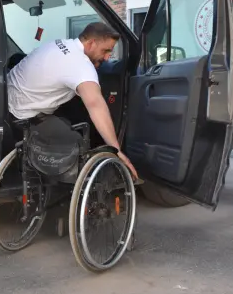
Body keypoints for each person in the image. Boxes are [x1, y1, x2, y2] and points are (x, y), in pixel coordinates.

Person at [7, 21, 138, 180]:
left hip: (7, 105)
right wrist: (116, 150)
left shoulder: (59, 44)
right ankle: (78, 188)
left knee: (72, 111)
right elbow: (95, 105)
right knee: (78, 146)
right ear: (91, 43)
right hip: (26, 117)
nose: (108, 57)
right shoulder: (81, 66)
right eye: (106, 50)